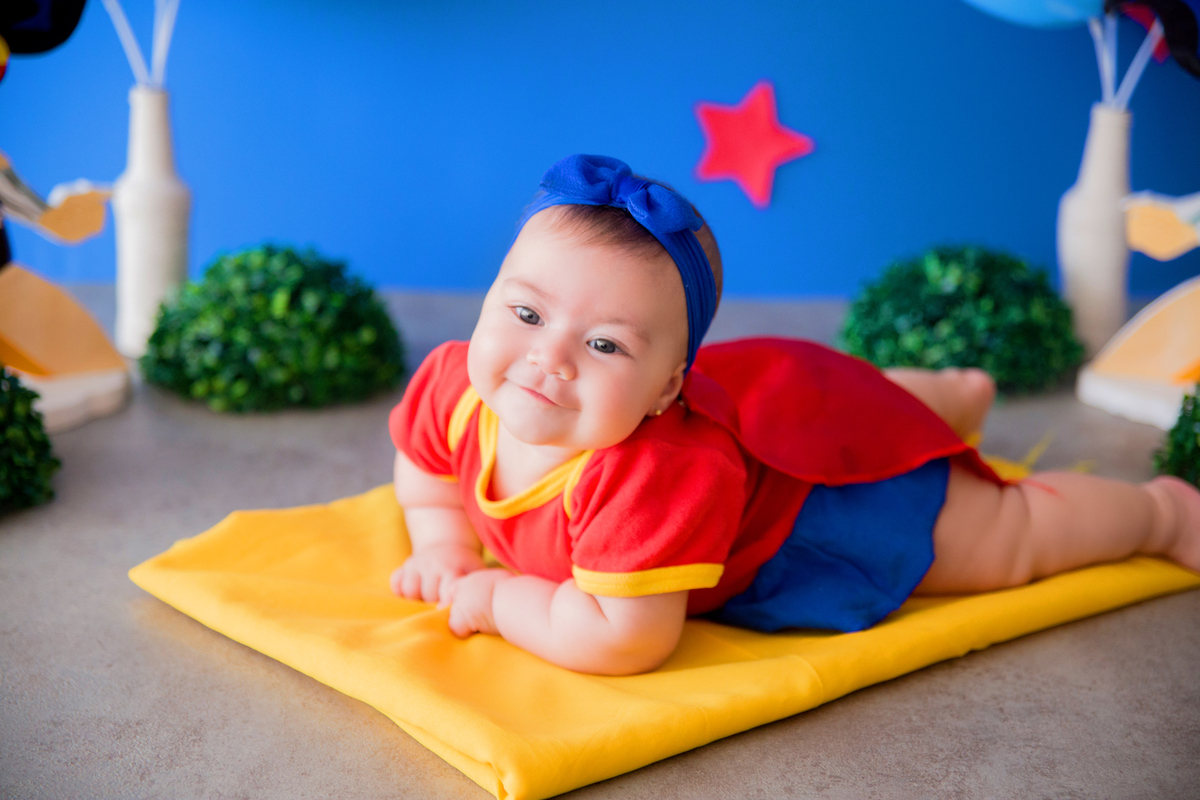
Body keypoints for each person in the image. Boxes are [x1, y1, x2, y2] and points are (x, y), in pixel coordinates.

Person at [388, 154, 1200, 676]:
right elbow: (425, 476)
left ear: (666, 390)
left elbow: (622, 636)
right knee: (838, 394)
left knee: (1005, 534)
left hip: (804, 504)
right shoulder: (454, 384)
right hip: (772, 384)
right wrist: (443, 543)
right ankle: (947, 391)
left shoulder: (647, 474)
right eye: (525, 315)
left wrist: (498, 601)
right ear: (489, 299)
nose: (547, 358)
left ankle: (1159, 514)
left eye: (603, 345)